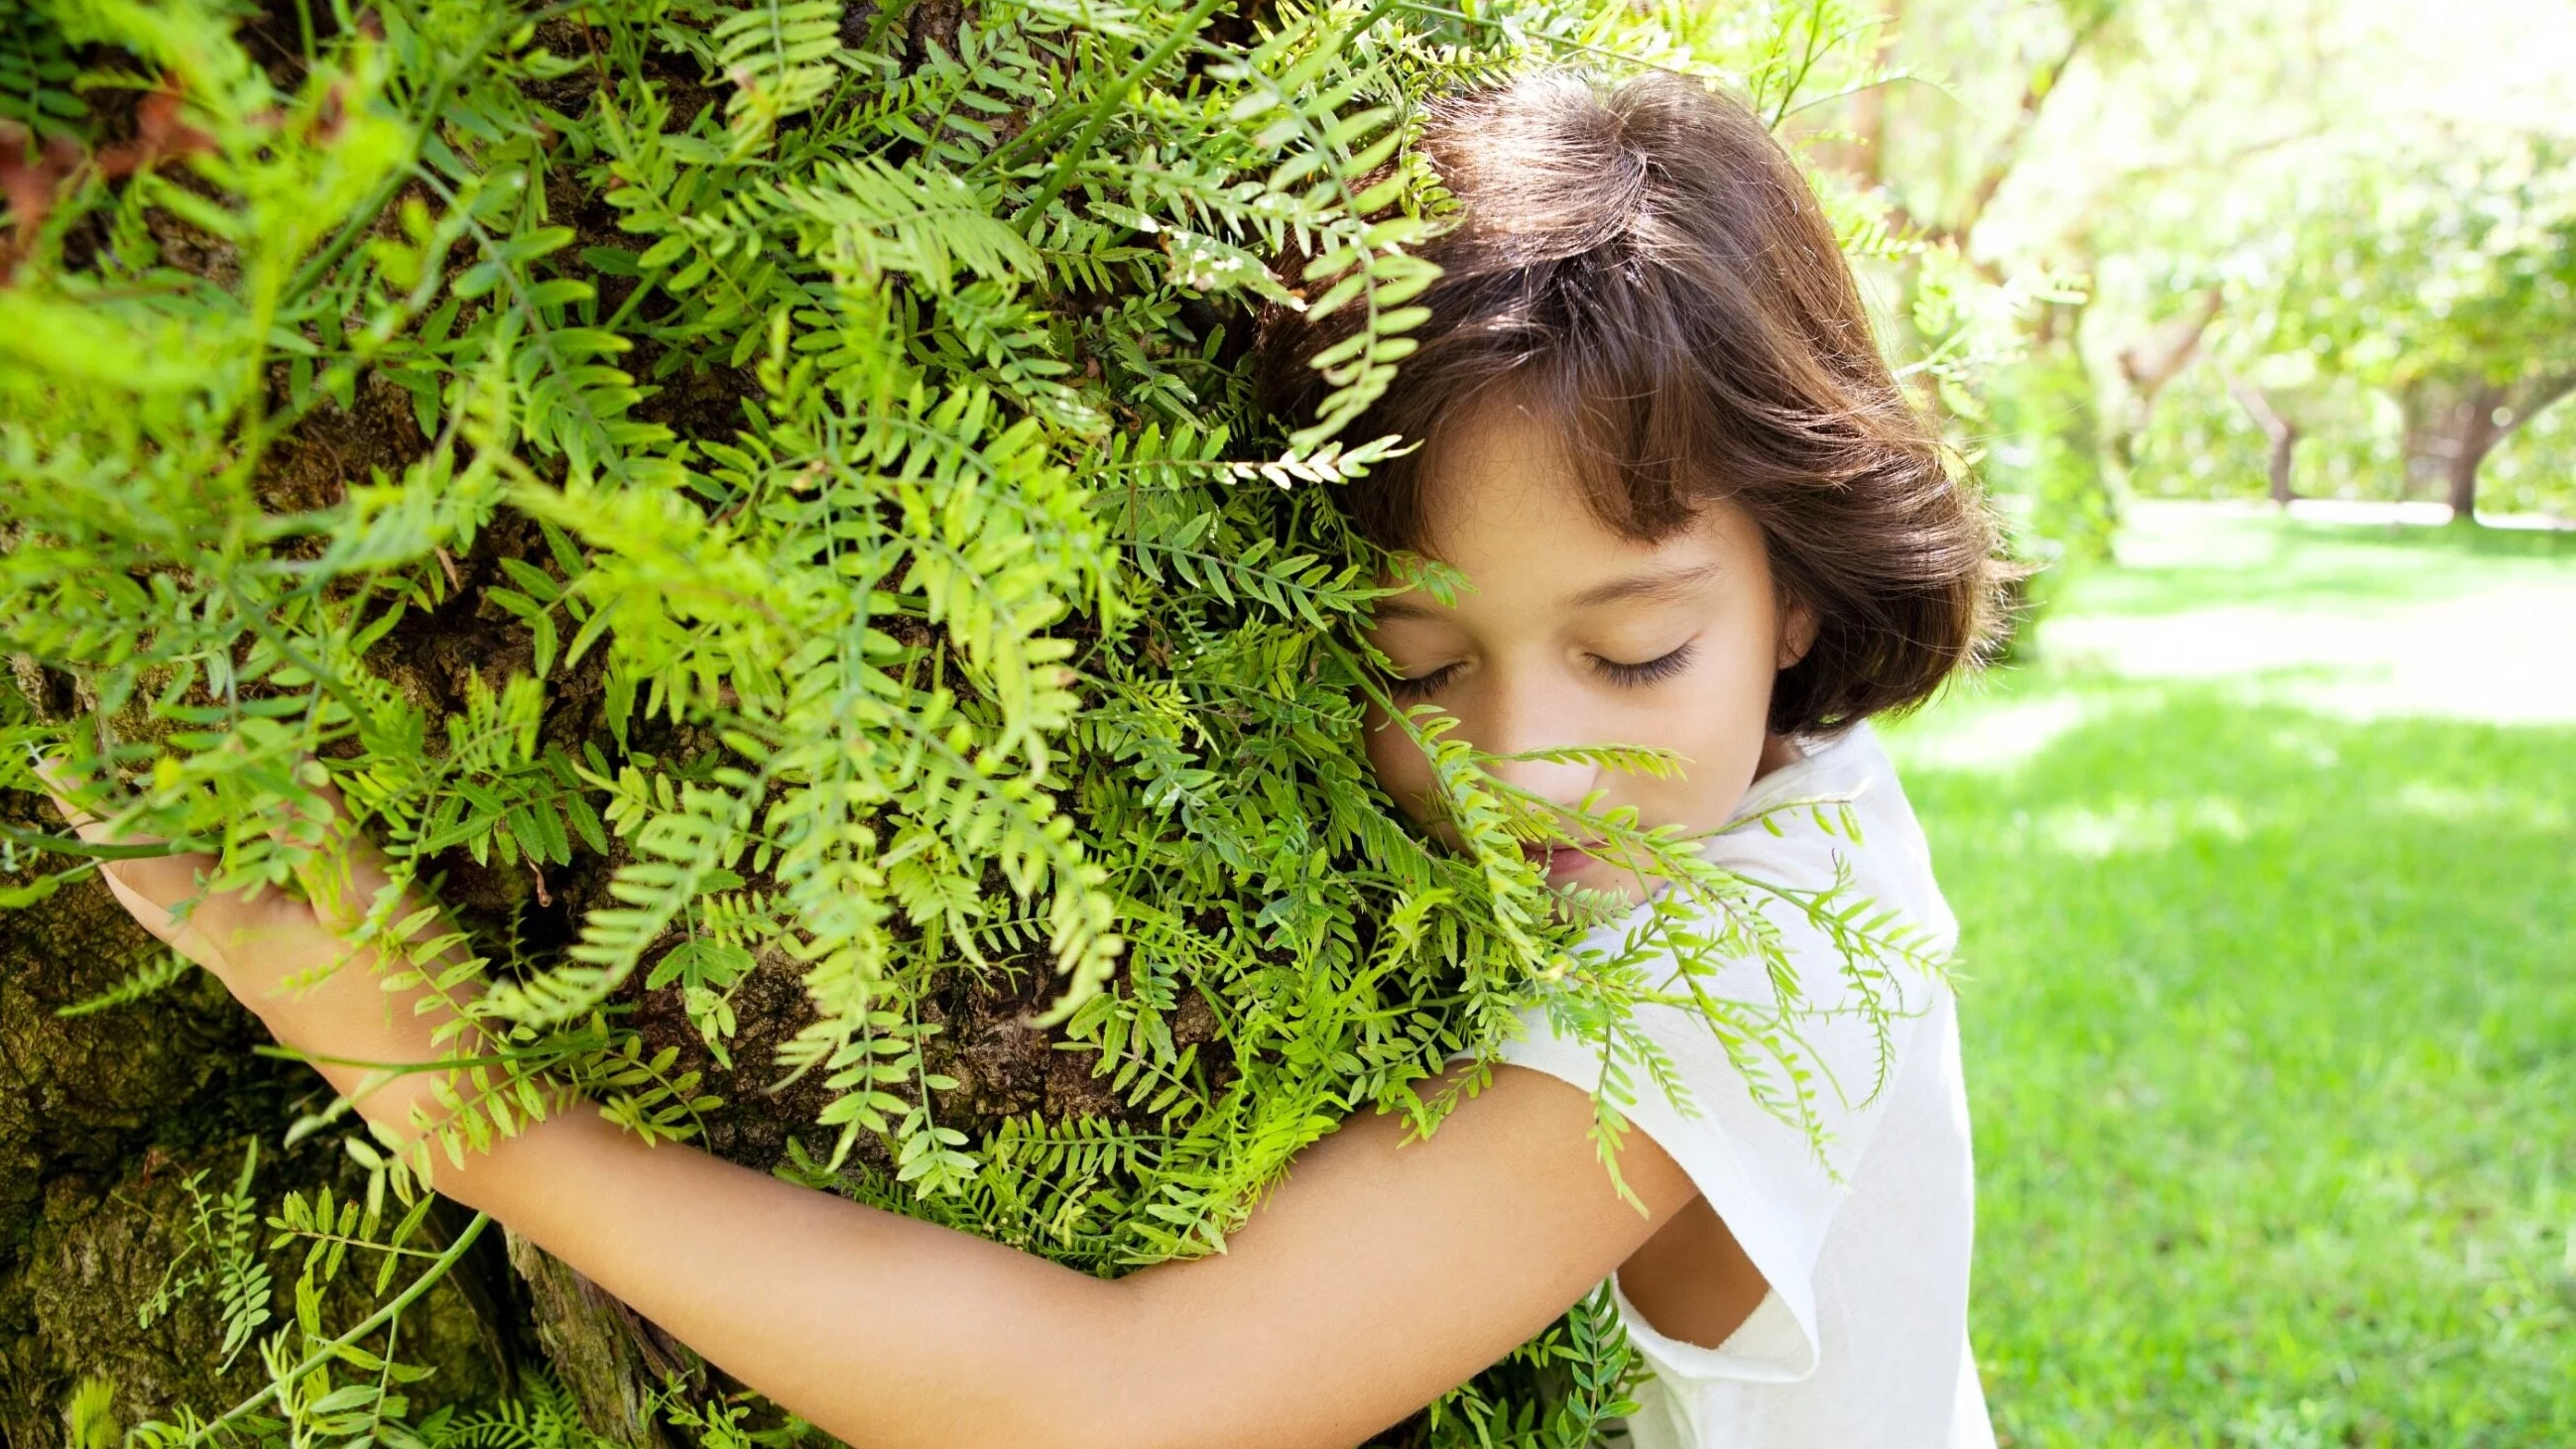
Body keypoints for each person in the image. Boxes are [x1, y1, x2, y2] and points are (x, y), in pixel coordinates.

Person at [41, 67, 2006, 1449]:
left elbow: (1143, 1405)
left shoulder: (1766, 953)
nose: (1522, 761)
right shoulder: (1689, 803)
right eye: (1411, 665)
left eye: (1634, 650)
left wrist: (448, 1089)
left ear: (1806, 595)